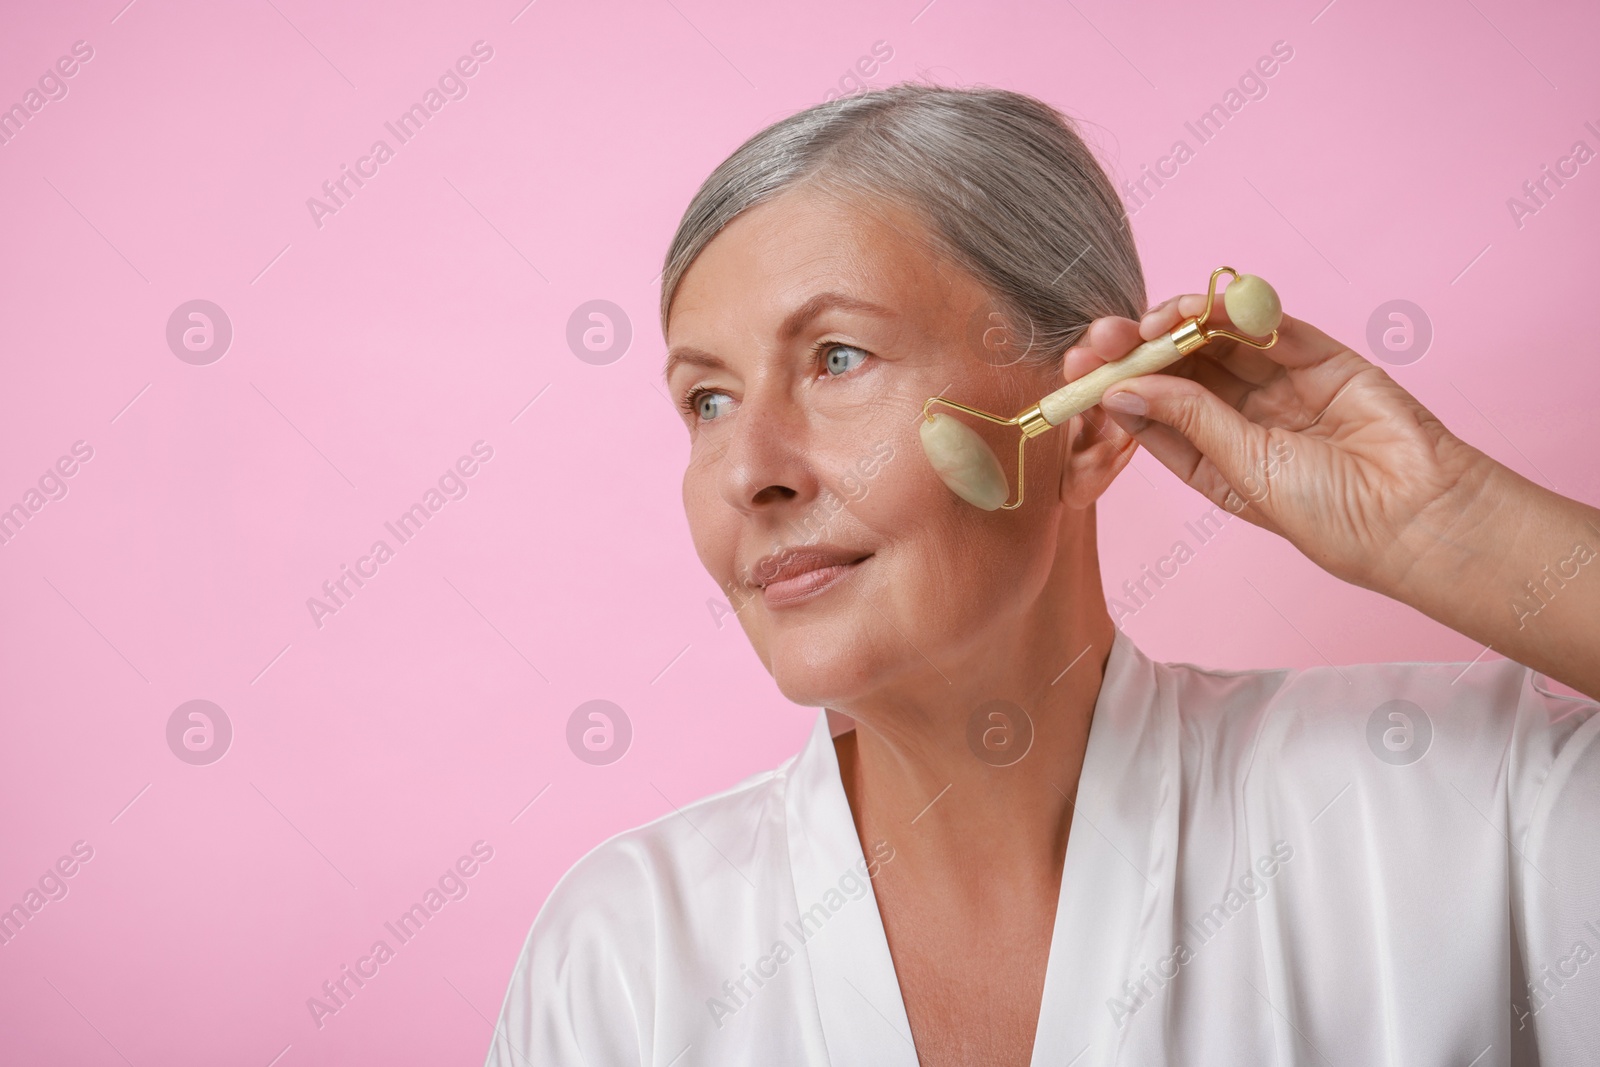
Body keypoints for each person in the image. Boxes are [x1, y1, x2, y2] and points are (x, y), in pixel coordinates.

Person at [484, 81, 1600, 1066]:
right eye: (706, 400)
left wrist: (1449, 522)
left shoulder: (1452, 802)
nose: (748, 472)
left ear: (1083, 425)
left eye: (836, 357)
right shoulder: (623, 955)